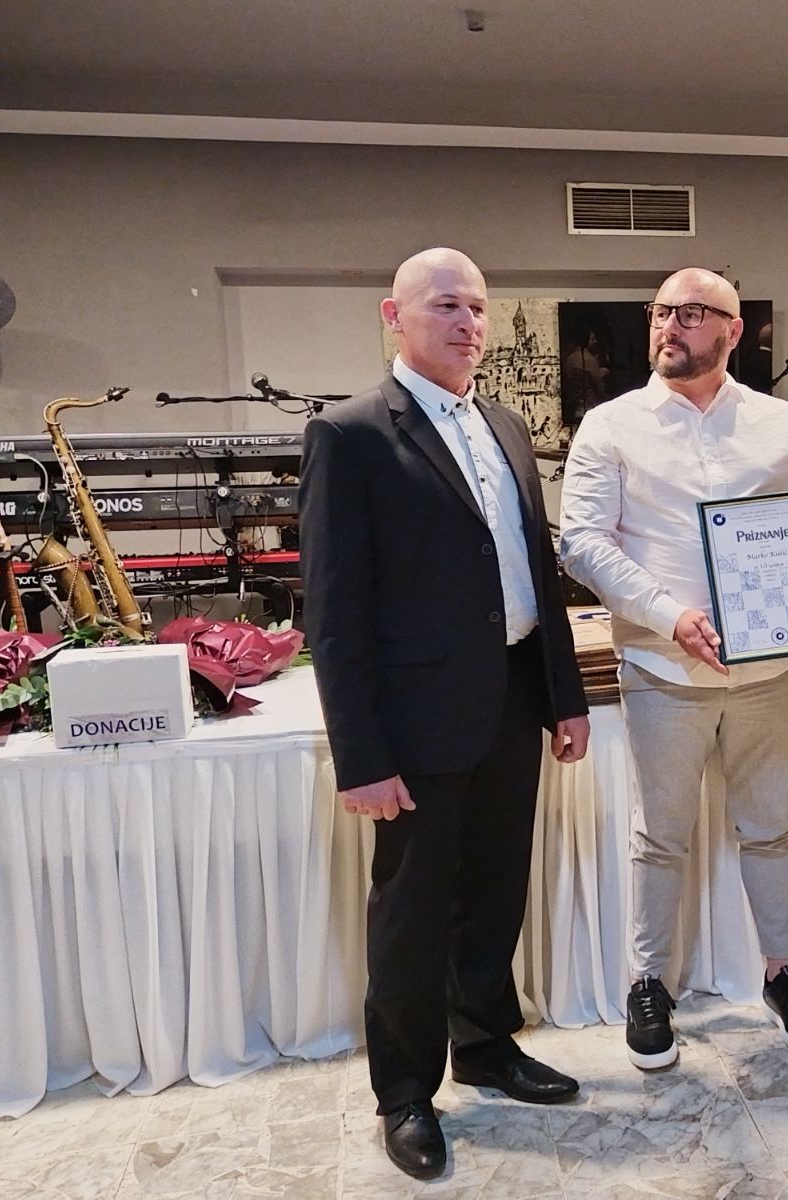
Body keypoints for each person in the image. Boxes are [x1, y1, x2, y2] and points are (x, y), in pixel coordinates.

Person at [299, 248, 591, 1181]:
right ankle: (405, 1093)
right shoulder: (350, 434)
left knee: (496, 888)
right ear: (395, 315)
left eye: (478, 307)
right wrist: (361, 756)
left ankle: (487, 1045)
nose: (469, 323)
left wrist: (564, 696)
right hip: (415, 719)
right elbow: (334, 613)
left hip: (512, 696)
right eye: (446, 306)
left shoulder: (505, 426)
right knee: (413, 911)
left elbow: (536, 573)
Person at [559, 267, 788, 1071]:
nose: (671, 326)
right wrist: (670, 615)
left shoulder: (779, 423)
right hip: (662, 669)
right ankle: (649, 984)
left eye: (692, 313)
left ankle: (783, 975)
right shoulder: (611, 426)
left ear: (732, 330)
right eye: (662, 312)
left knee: (772, 829)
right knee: (660, 836)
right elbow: (582, 541)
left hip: (769, 672)